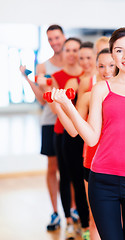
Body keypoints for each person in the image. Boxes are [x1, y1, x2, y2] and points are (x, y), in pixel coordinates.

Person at [50, 27, 125, 240]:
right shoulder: (101, 89)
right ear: (112, 53)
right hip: (102, 181)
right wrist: (66, 106)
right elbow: (91, 138)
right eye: (119, 50)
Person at [20, 24, 65, 231]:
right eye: (50, 39)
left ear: (63, 37)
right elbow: (42, 100)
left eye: (57, 37)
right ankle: (55, 212)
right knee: (53, 168)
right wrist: (28, 79)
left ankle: (73, 211)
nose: (54, 41)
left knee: (72, 170)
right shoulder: (43, 67)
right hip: (50, 122)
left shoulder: (75, 60)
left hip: (73, 122)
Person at [48, 37, 90, 240]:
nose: (75, 56)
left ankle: (86, 223)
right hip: (66, 131)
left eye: (78, 52)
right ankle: (71, 221)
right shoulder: (66, 79)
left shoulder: (92, 77)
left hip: (87, 132)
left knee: (84, 180)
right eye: (71, 51)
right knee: (67, 178)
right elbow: (54, 105)